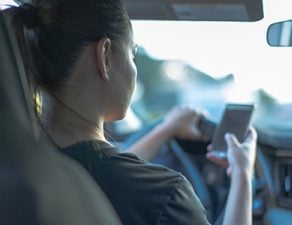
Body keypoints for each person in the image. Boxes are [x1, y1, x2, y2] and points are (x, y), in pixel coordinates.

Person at [6, 1, 257, 225]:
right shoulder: (164, 196)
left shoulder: (18, 173)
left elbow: (95, 168)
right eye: (132, 54)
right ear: (104, 57)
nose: (133, 68)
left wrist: (164, 130)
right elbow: (109, 172)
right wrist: (243, 174)